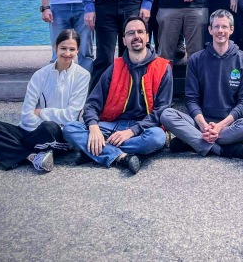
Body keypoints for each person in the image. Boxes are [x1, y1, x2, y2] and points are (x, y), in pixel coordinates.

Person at [62, 16, 173, 174]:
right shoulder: (114, 67)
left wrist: (131, 131)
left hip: (143, 128)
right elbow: (92, 104)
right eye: (130, 33)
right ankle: (120, 156)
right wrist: (93, 128)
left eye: (140, 32)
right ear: (124, 40)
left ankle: (96, 149)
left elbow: (162, 110)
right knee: (69, 128)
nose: (136, 36)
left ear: (148, 37)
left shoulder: (163, 67)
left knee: (157, 138)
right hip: (111, 125)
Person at [0, 29, 90, 172]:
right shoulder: (40, 75)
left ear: (78, 51)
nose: (67, 53)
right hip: (32, 129)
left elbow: (70, 116)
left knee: (49, 127)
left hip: (58, 133)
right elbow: (26, 114)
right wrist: (35, 126)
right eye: (63, 48)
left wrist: (41, 112)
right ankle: (31, 157)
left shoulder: (83, 76)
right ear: (55, 47)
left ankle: (1, 151)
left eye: (72, 49)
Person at [160, 10, 243, 159]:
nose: (220, 31)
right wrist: (204, 125)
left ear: (231, 29)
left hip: (229, 124)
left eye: (224, 27)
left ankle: (191, 141)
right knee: (167, 114)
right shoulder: (196, 59)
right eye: (216, 27)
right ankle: (219, 149)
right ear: (210, 29)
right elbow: (191, 98)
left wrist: (220, 126)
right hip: (200, 122)